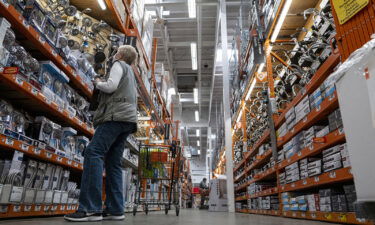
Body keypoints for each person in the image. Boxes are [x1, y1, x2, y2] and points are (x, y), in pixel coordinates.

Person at [64, 45, 138, 222]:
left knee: (93, 152)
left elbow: (111, 86)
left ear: (119, 55)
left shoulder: (118, 65)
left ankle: (90, 208)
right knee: (113, 162)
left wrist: (97, 82)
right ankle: (115, 209)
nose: (113, 55)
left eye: (115, 52)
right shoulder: (131, 74)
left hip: (115, 117)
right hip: (127, 121)